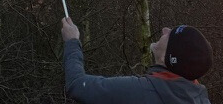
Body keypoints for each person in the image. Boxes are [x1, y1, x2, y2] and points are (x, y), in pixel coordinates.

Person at [61, 17, 213, 104]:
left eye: (170, 34)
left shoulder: (142, 91)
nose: (165, 29)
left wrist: (72, 42)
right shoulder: (199, 97)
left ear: (170, 57)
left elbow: (78, 85)